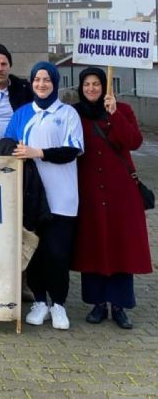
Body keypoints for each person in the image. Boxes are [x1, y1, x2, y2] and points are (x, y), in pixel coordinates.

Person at [4, 61, 83, 331]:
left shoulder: (68, 113)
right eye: (37, 79)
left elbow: (72, 150)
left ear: (55, 82)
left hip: (62, 197)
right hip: (32, 198)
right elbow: (9, 147)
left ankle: (58, 304)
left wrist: (38, 153)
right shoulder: (22, 113)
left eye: (47, 79)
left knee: (58, 254)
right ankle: (39, 301)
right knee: (35, 253)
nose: (41, 84)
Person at [70, 67, 152, 330]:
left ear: (106, 86)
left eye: (96, 84)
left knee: (119, 246)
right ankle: (97, 303)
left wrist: (114, 114)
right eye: (87, 84)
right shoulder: (75, 113)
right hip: (89, 191)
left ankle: (119, 305)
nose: (91, 88)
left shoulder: (122, 110)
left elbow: (133, 141)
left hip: (120, 192)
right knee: (93, 245)